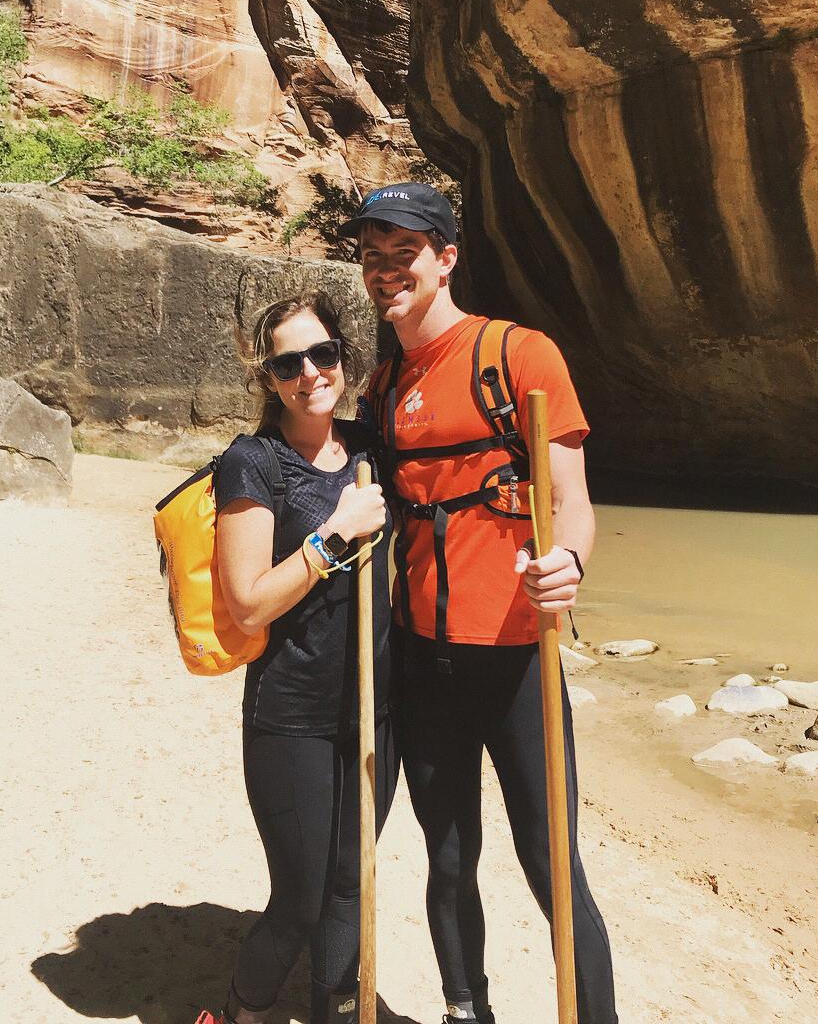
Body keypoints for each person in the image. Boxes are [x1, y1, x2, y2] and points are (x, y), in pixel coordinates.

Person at [338, 183, 618, 1024]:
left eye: (405, 255)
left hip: (516, 658)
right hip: (425, 661)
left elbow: (570, 497)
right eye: (373, 258)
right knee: (449, 858)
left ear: (446, 258)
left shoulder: (519, 356)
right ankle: (470, 1012)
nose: (387, 273)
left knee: (550, 863)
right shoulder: (382, 389)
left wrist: (568, 562)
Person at [197, 288, 398, 1024]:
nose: (310, 372)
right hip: (290, 715)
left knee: (352, 883)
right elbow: (247, 601)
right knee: (302, 897)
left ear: (343, 356)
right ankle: (241, 1012)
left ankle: (332, 1012)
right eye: (289, 362)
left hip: (377, 712)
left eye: (324, 353)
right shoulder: (253, 462)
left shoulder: (371, 449)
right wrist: (334, 534)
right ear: (269, 377)